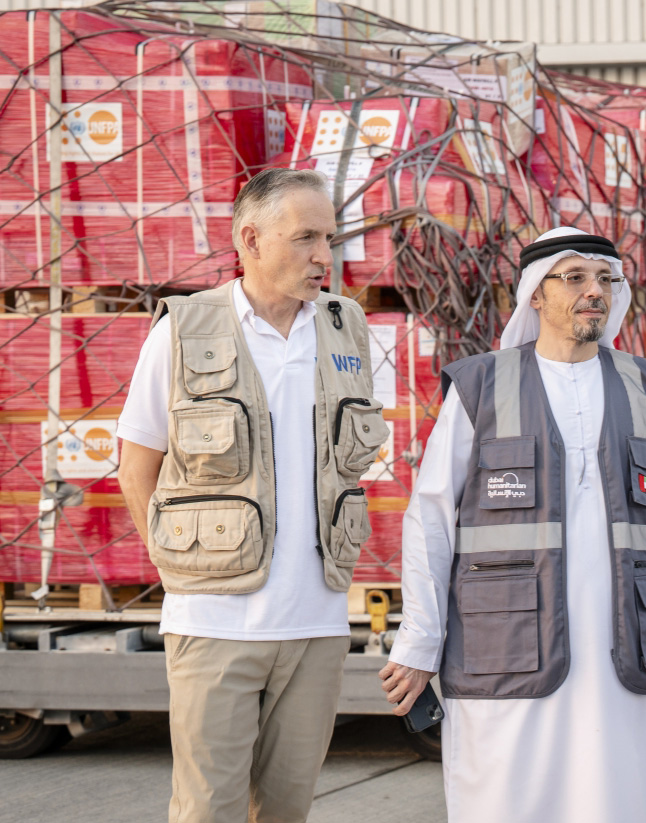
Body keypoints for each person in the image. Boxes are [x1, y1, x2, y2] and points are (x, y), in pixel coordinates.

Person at [379, 226, 646, 823]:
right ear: (534, 296)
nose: (595, 292)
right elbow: (430, 520)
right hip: (507, 647)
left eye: (606, 280)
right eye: (575, 278)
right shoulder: (481, 387)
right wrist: (419, 640)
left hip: (628, 650)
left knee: (625, 802)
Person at [117, 168, 388, 822]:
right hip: (214, 623)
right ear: (251, 239)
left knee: (288, 807)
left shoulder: (346, 328)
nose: (324, 255)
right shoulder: (183, 331)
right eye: (305, 238)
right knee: (208, 809)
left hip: (317, 623)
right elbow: (136, 465)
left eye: (329, 237)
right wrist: (181, 569)